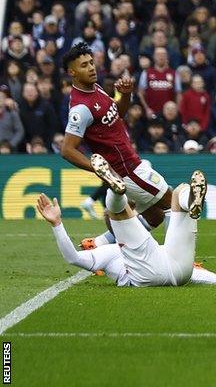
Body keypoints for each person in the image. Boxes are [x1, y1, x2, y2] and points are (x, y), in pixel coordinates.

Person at [60, 42, 175, 250]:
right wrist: (100, 170)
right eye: (84, 65)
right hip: (125, 169)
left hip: (130, 163)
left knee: (155, 216)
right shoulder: (80, 108)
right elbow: (67, 150)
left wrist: (126, 95)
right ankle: (178, 259)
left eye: (91, 63)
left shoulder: (96, 88)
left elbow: (117, 115)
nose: (91, 68)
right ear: (72, 72)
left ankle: (98, 245)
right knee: (173, 203)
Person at [35, 178, 216, 286]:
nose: (135, 213)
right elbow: (73, 257)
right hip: (177, 272)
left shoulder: (112, 251)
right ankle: (117, 190)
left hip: (168, 271)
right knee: (173, 196)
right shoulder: (110, 251)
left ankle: (117, 190)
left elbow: (72, 257)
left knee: (177, 193)